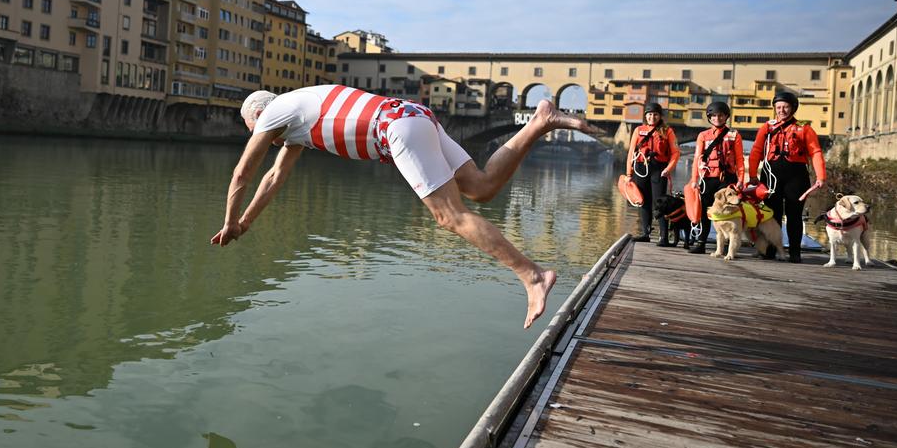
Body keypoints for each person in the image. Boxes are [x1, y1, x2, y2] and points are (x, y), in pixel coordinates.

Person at [210, 84, 602, 329]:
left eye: (255, 130)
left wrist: (227, 222)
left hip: (393, 128)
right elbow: (273, 178)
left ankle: (532, 275)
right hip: (412, 114)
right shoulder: (297, 116)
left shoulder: (274, 114)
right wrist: (244, 223)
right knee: (481, 188)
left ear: (258, 117)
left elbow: (242, 174)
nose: (264, 139)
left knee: (449, 216)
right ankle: (539, 122)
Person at [748, 90, 825, 262]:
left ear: (793, 108)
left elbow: (816, 152)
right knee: (770, 215)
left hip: (796, 177)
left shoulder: (804, 128)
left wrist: (820, 177)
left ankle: (795, 252)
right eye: (778, 107)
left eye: (786, 107)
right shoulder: (767, 128)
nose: (782, 110)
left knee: (794, 215)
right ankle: (770, 250)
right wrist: (753, 174)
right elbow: (756, 151)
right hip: (770, 176)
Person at [688, 101, 744, 254]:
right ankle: (701, 242)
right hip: (708, 179)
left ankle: (730, 245)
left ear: (726, 116)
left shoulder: (734, 135)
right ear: (709, 117)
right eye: (713, 116)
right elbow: (697, 159)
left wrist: (740, 179)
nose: (717, 118)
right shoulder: (703, 136)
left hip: (728, 178)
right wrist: (694, 180)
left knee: (730, 210)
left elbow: (739, 159)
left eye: (720, 115)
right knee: (708, 211)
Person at [626, 102, 679, 245]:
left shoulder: (668, 131)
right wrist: (629, 174)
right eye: (649, 114)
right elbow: (631, 152)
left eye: (655, 114)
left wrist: (669, 168)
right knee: (643, 201)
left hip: (659, 169)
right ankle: (645, 233)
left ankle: (663, 237)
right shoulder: (638, 130)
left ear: (660, 116)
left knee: (659, 203)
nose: (652, 117)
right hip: (641, 168)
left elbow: (675, 153)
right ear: (645, 116)